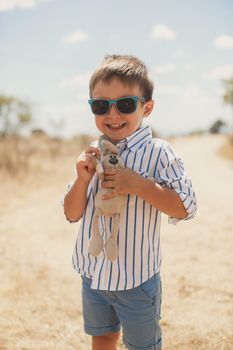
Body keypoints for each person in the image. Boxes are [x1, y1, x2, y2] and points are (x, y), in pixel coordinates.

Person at [63, 54, 197, 350]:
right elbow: (72, 214)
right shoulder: (92, 152)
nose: (112, 114)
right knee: (103, 337)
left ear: (146, 107)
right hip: (94, 273)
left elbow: (186, 207)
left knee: (142, 345)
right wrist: (82, 179)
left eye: (125, 104)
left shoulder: (159, 153)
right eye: (101, 105)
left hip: (136, 278)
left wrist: (139, 185)